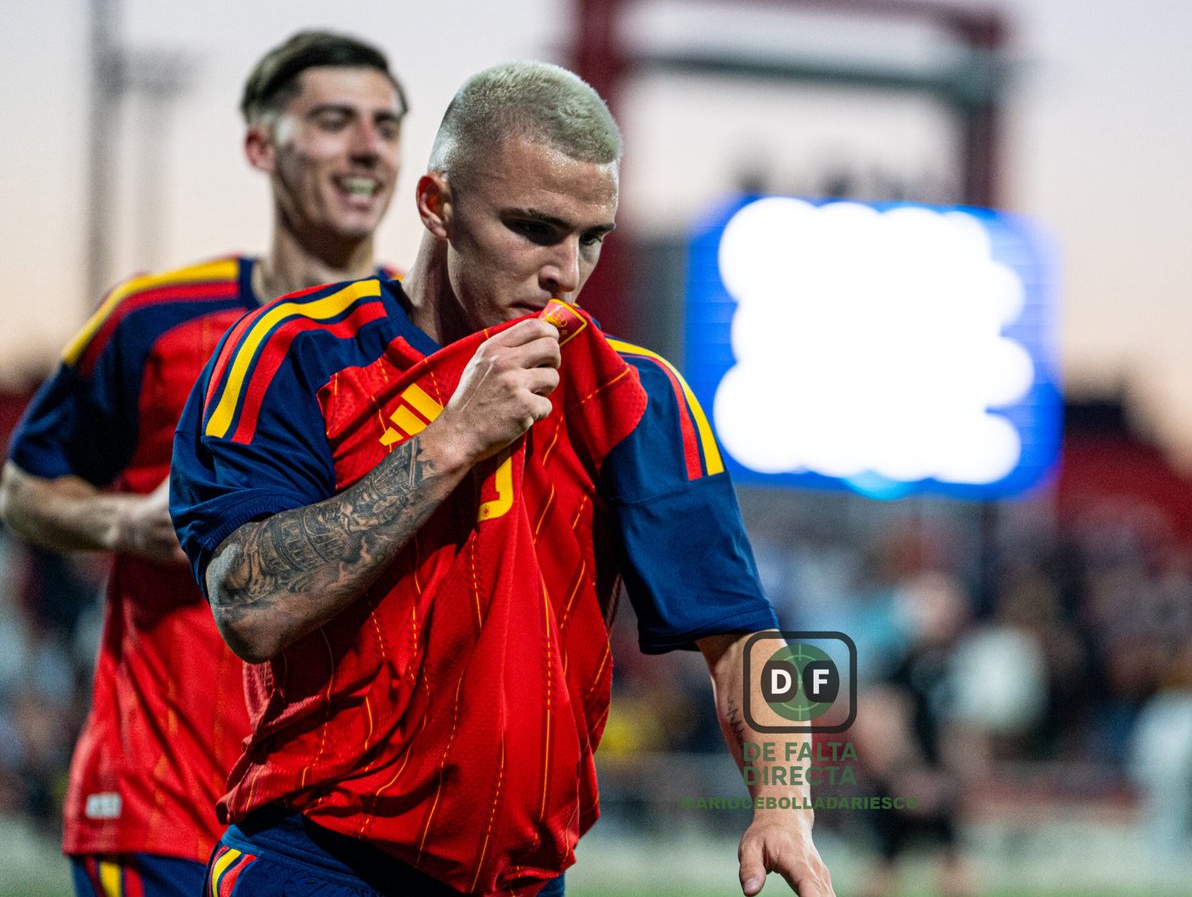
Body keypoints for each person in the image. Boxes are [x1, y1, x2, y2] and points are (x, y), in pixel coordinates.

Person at [169, 61, 834, 897]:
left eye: (591, 237)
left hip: (524, 880)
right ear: (435, 204)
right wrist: (449, 442)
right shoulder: (293, 355)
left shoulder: (637, 399)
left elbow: (741, 637)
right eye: (534, 227)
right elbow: (249, 606)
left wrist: (784, 803)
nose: (566, 269)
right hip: (315, 861)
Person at [0, 30, 407, 897]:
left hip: (336, 827)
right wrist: (123, 520)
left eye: (386, 123)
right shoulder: (153, 320)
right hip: (161, 810)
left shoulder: (424, 345)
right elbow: (21, 488)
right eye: (335, 119)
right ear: (261, 145)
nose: (368, 144)